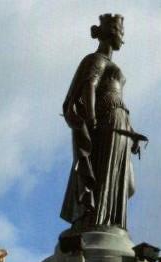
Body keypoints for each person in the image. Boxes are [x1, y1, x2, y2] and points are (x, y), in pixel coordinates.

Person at [61, 14, 142, 230]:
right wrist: (91, 117)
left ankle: (111, 222)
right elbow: (89, 85)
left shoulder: (108, 62)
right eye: (119, 32)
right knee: (104, 174)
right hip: (107, 120)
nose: (122, 37)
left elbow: (116, 99)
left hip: (119, 121)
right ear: (109, 33)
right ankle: (96, 220)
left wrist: (132, 132)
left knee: (124, 182)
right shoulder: (95, 60)